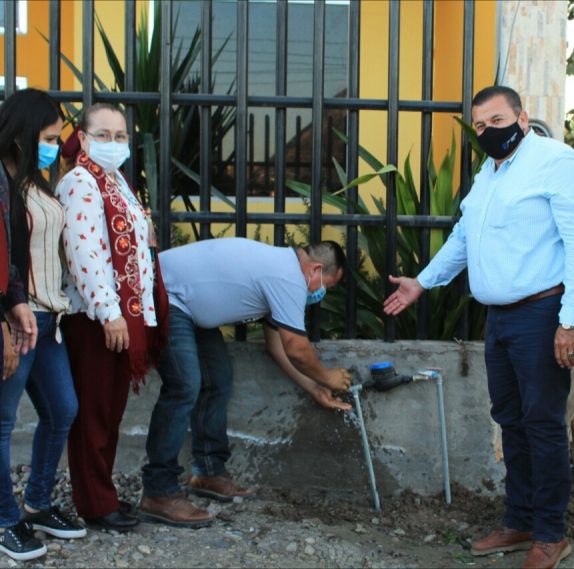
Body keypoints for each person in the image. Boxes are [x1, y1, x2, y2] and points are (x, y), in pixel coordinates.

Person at [384, 85, 574, 569]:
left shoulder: (555, 160)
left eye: (497, 121)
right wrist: (422, 282)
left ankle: (550, 534)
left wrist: (572, 320)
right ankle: (520, 519)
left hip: (543, 313)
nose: (488, 132)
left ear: (522, 118)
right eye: (480, 126)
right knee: (510, 419)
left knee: (543, 425)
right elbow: (463, 239)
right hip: (500, 320)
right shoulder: (488, 173)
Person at [138, 237, 351, 527]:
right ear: (315, 269)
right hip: (166, 297)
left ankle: (208, 472)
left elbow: (277, 348)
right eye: (328, 284)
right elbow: (296, 349)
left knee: (218, 379)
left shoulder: (282, 270)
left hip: (188, 307)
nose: (322, 292)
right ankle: (158, 492)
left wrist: (315, 388)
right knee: (184, 386)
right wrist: (328, 376)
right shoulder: (289, 278)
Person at [56, 103, 168, 533]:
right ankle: (95, 504)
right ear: (82, 139)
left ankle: (100, 493)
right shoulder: (81, 183)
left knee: (109, 409)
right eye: (103, 135)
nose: (113, 144)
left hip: (119, 315)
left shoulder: (116, 180)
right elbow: (86, 253)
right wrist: (109, 312)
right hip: (97, 318)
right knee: (94, 412)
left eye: (121, 137)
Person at [0, 89, 82, 561]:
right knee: (3, 423)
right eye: (48, 137)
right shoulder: (4, 185)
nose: (55, 145)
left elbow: (82, 145)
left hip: (49, 318)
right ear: (25, 134)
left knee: (62, 410)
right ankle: (5, 519)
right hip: (19, 316)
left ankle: (37, 501)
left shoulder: (37, 182)